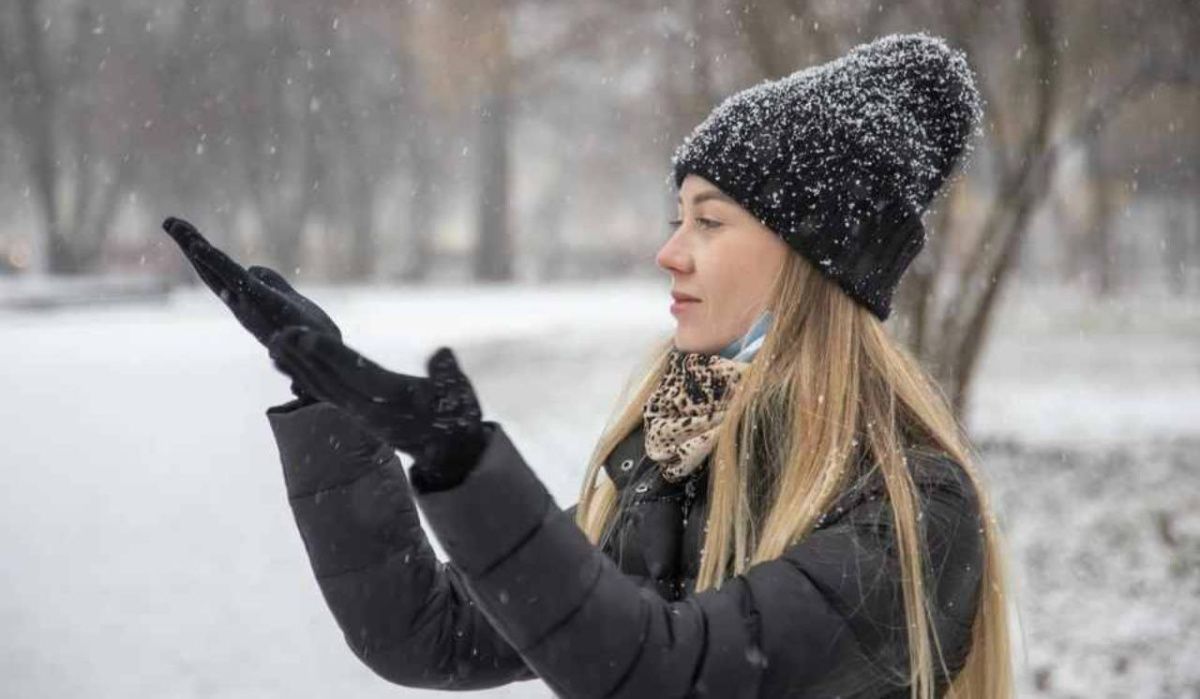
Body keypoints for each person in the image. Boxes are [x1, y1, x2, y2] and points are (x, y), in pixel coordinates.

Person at [163, 32, 1012, 699]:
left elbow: (664, 675)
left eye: (709, 222)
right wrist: (335, 410)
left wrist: (470, 471)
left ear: (812, 260)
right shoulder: (677, 464)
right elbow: (424, 631)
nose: (668, 252)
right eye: (678, 217)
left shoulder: (910, 514)